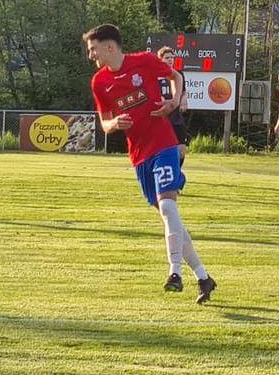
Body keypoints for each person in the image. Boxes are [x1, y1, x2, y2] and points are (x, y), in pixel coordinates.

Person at [86, 23, 216, 304]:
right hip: (139, 155)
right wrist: (114, 124)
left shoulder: (144, 62)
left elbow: (176, 77)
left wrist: (173, 102)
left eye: (93, 49)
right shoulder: (99, 82)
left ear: (110, 47)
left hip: (164, 144)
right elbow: (104, 122)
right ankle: (204, 277)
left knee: (169, 206)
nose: (91, 55)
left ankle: (174, 273)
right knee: (171, 219)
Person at [156, 46, 190, 161]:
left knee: (181, 152)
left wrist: (184, 100)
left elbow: (184, 92)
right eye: (167, 58)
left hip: (176, 117)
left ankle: (176, 173)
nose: (170, 60)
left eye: (172, 58)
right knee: (161, 149)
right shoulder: (154, 75)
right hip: (161, 118)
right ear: (160, 59)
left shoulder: (178, 75)